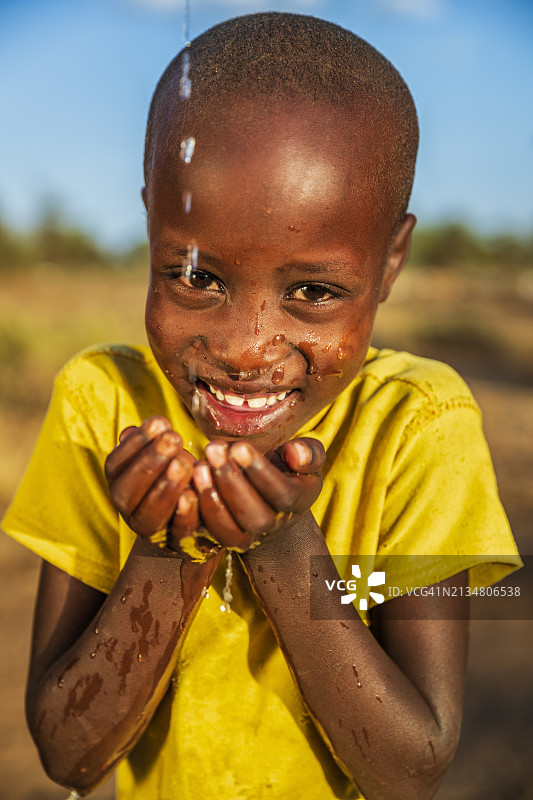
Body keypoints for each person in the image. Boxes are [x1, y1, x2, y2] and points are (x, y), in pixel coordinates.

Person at [2, 12, 521, 800]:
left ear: (390, 262)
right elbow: (66, 754)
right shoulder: (102, 403)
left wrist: (283, 549)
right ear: (151, 227)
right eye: (196, 277)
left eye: (312, 291)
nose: (246, 349)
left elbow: (410, 768)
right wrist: (168, 551)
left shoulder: (418, 427)